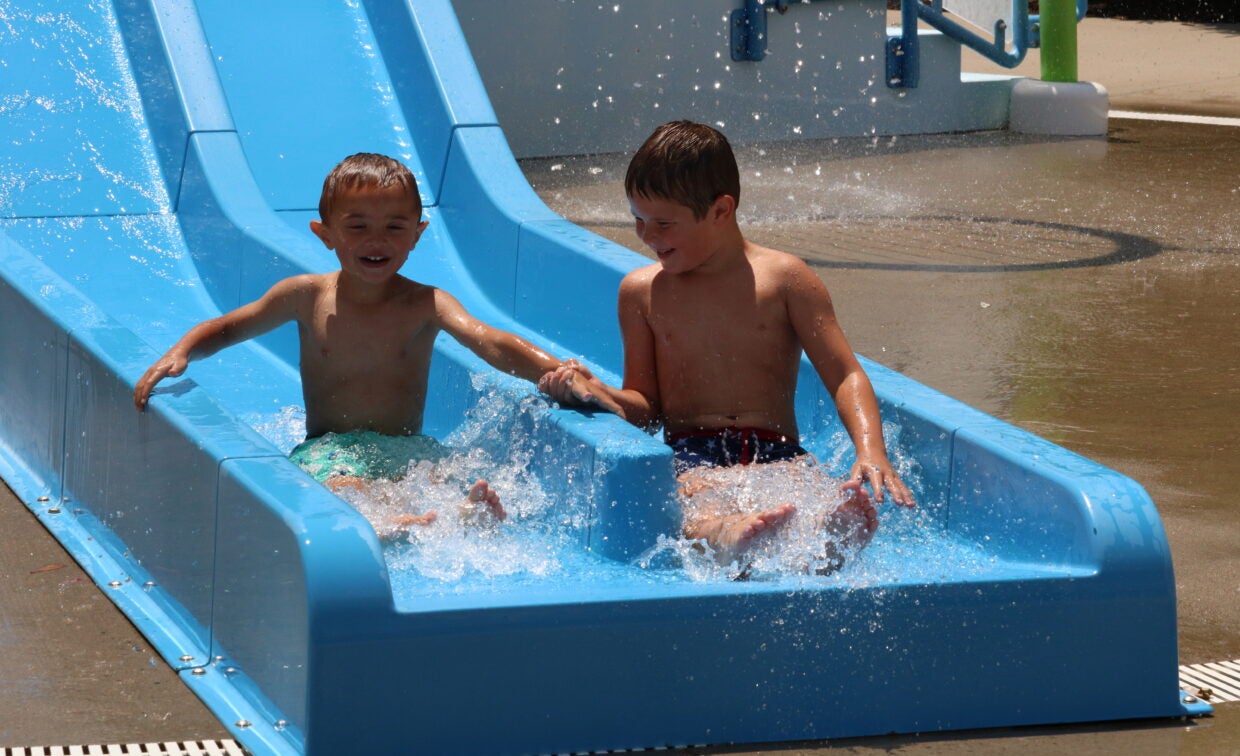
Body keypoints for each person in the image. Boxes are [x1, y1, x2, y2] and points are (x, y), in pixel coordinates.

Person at [134, 152, 619, 538]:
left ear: (416, 235)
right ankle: (399, 526)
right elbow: (230, 327)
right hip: (330, 448)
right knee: (342, 487)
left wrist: (554, 371)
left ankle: (456, 516)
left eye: (394, 226)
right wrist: (183, 350)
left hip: (407, 448)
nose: (377, 239)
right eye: (358, 225)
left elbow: (488, 341)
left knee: (436, 479)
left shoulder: (427, 303)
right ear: (325, 234)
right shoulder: (304, 296)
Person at [540, 121, 914, 568]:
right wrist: (600, 394)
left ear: (721, 210)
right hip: (692, 454)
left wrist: (870, 450)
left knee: (806, 493)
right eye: (638, 219)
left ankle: (828, 536)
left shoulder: (785, 279)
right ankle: (726, 535)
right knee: (696, 507)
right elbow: (646, 410)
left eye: (663, 223)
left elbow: (846, 374)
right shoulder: (641, 293)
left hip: (777, 449)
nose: (646, 236)